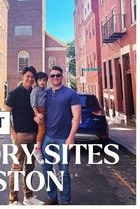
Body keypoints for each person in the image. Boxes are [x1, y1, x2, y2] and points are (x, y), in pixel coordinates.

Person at [41, 66, 81, 205]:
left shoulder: (70, 94)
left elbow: (77, 117)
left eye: (57, 75)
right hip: (47, 138)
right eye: (52, 76)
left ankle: (65, 201)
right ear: (49, 78)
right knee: (47, 170)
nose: (55, 78)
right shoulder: (45, 94)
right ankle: (52, 198)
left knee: (63, 171)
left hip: (63, 139)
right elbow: (39, 112)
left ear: (62, 76)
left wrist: (71, 137)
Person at [5, 66, 44, 206]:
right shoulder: (15, 93)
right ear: (23, 76)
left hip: (33, 135)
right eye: (28, 76)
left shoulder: (35, 92)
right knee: (16, 167)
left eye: (32, 77)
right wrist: (13, 133)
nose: (30, 79)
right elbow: (5, 114)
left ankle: (28, 197)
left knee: (29, 167)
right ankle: (13, 200)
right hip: (20, 136)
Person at [30, 71, 48, 165]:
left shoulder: (44, 90)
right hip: (39, 112)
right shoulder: (35, 91)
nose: (42, 82)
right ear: (36, 81)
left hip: (45, 111)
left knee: (45, 130)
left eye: (44, 80)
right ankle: (37, 150)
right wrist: (37, 114)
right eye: (40, 80)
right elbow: (33, 104)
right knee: (42, 130)